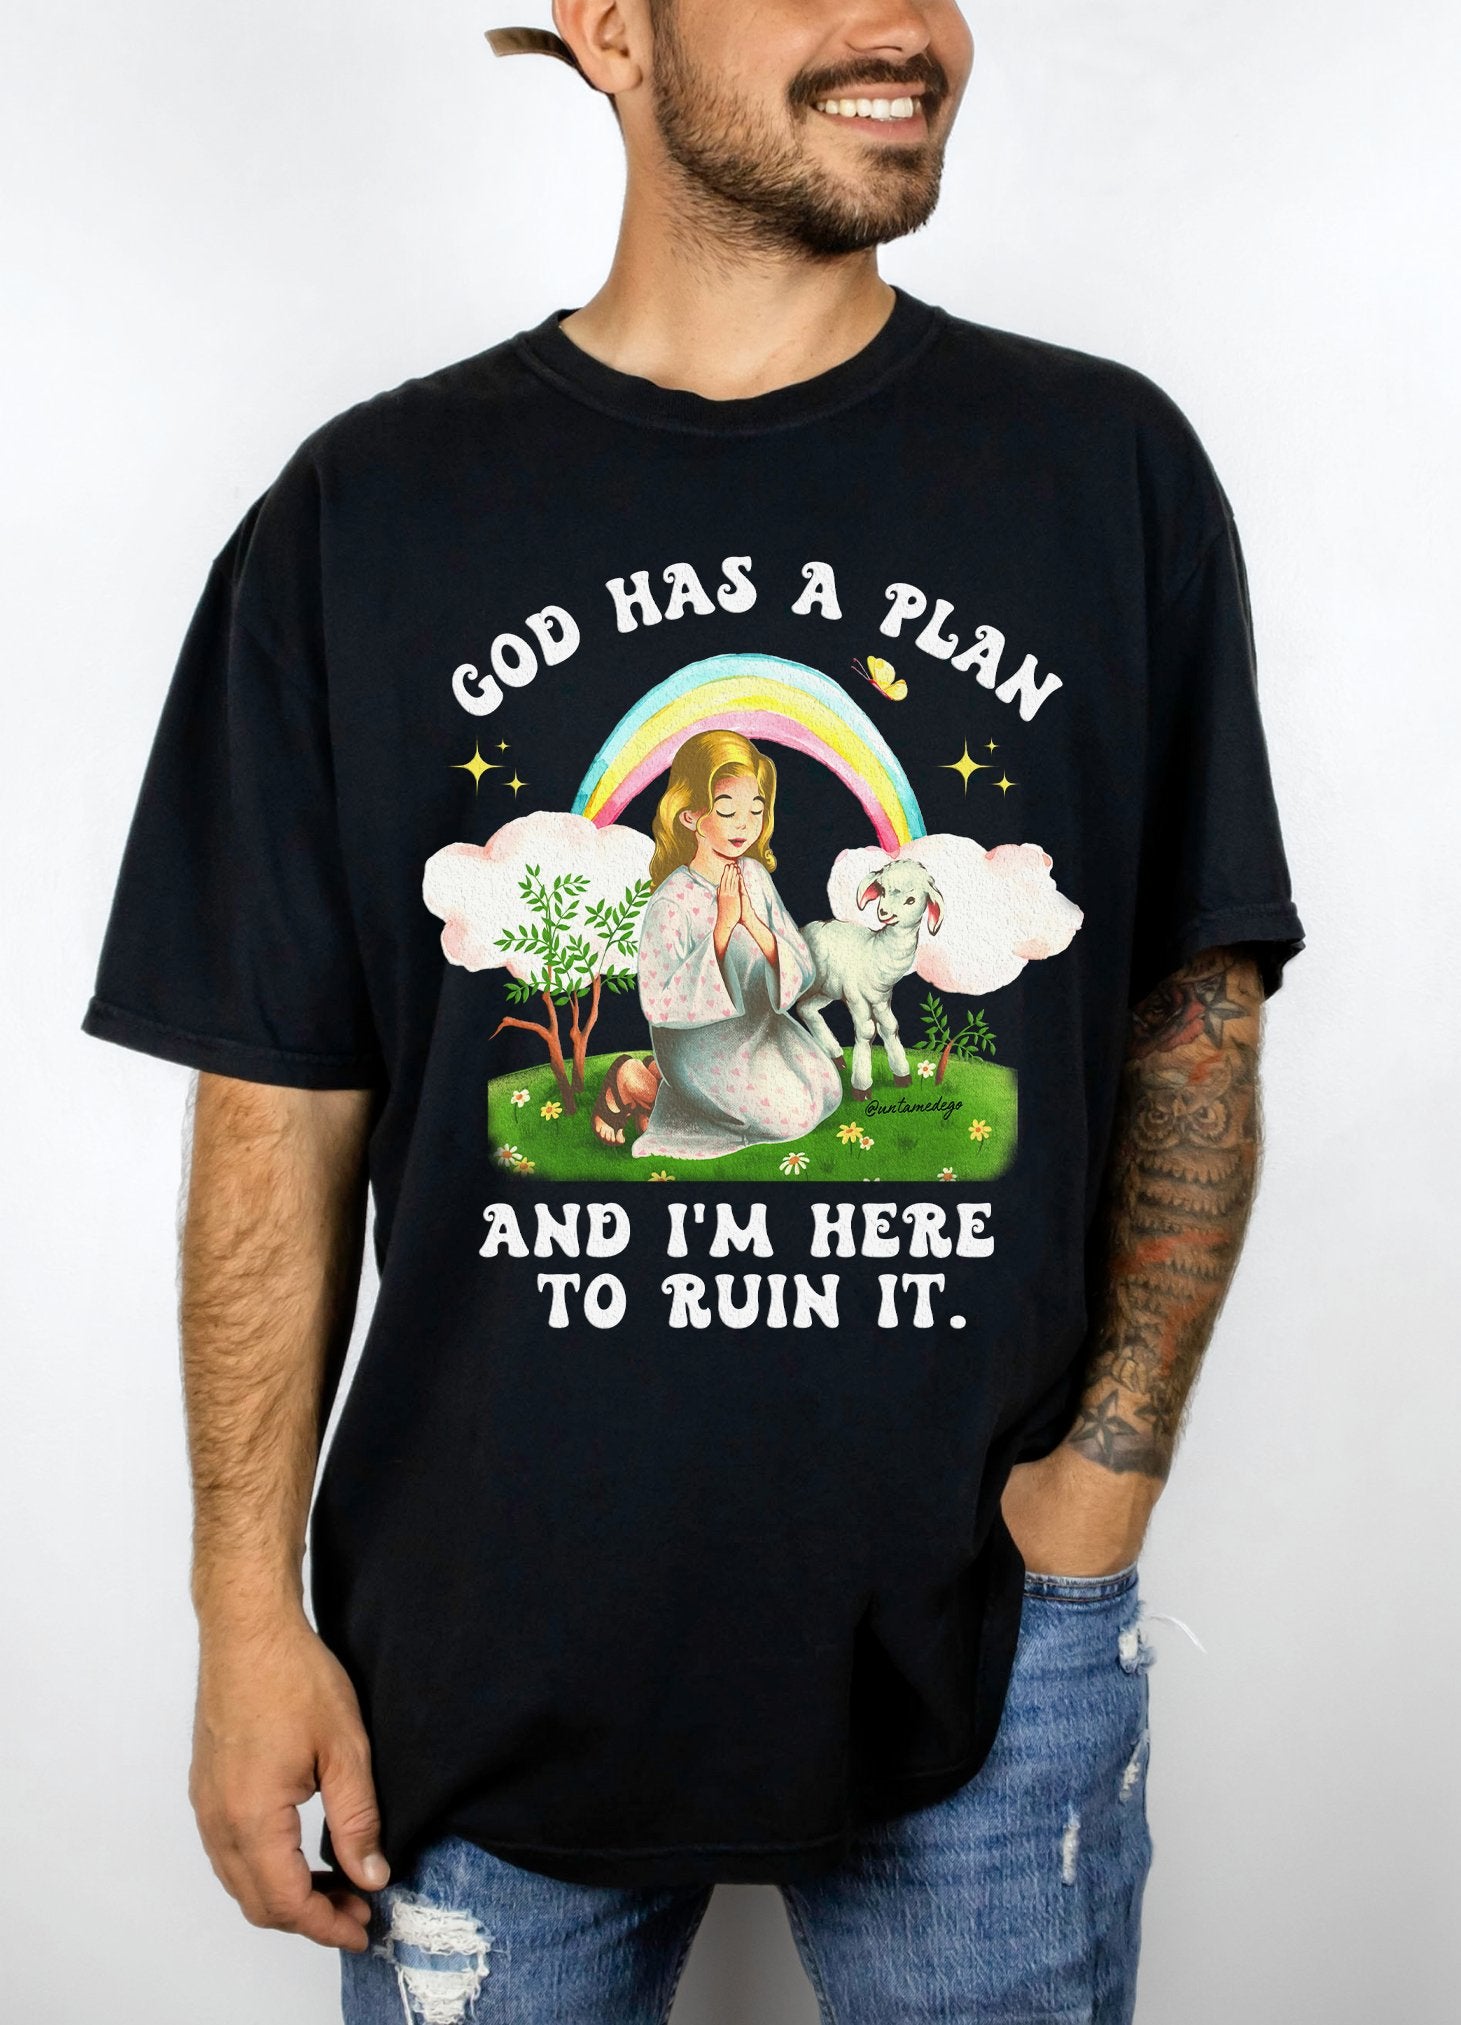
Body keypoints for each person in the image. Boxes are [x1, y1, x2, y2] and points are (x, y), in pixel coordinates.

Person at [80, 3, 1306, 2019]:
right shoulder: (365, 514)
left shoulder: (1102, 471)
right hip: (473, 1660)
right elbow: (272, 1108)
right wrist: (244, 1613)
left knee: (815, 1060)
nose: (906, 26)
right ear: (607, 28)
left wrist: (1093, 1498)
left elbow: (1196, 1018)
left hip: (995, 1646)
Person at [592, 728, 844, 1158]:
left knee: (826, 1091)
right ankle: (635, 1082)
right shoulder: (671, 900)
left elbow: (801, 967)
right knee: (792, 1117)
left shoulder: (755, 876)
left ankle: (656, 1084)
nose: (744, 824)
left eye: (755, 810)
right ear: (690, 815)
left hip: (760, 1032)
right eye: (727, 810)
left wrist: (754, 924)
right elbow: (659, 1002)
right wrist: (722, 929)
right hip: (699, 1048)